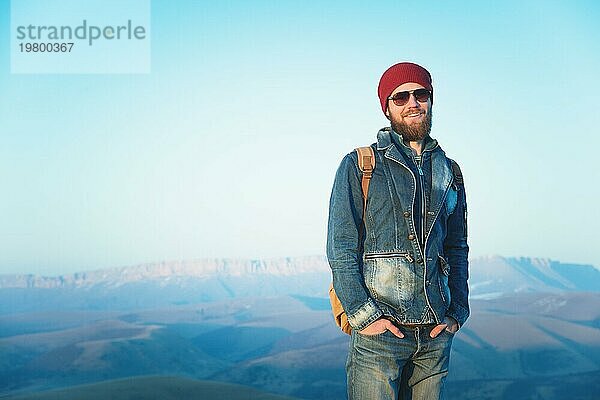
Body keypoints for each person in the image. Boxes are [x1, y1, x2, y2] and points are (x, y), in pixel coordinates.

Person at [326, 62, 469, 400]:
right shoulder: (360, 164)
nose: (412, 103)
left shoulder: (451, 171)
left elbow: (457, 247)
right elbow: (341, 247)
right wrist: (365, 317)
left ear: (431, 100)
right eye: (400, 97)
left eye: (420, 94)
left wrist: (457, 313)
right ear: (387, 108)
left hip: (434, 333)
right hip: (381, 332)